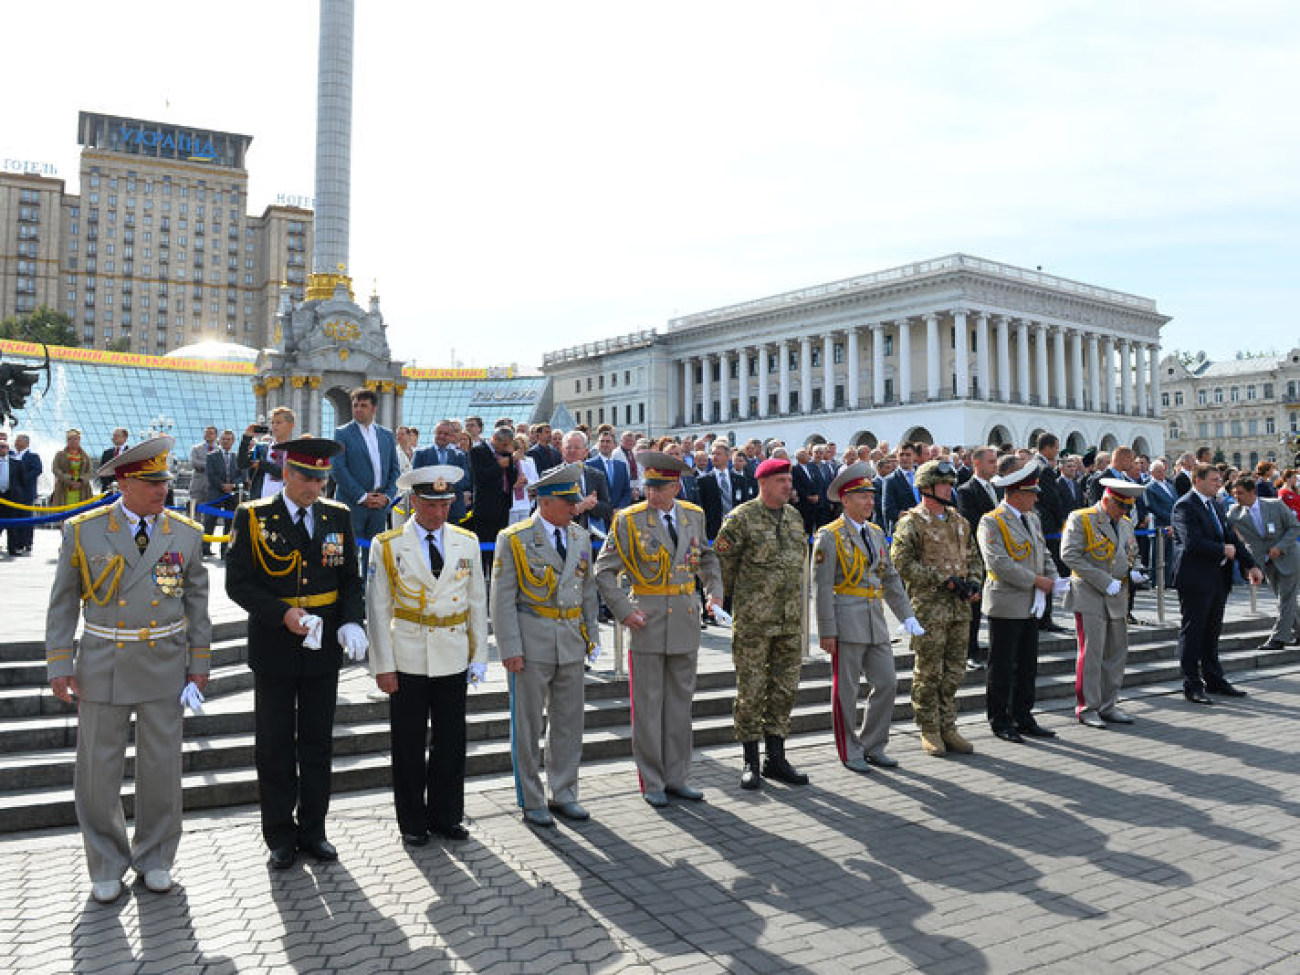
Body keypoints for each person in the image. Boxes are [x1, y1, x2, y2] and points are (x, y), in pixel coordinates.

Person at [45, 437, 210, 903]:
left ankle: (155, 857)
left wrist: (199, 664)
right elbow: (62, 603)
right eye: (151, 481)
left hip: (163, 660)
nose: (163, 488)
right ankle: (106, 861)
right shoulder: (86, 530)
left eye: (164, 480)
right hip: (104, 661)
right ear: (124, 482)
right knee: (98, 769)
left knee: (160, 769)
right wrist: (60, 661)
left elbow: (197, 605)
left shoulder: (185, 533)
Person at [225, 438, 367, 869]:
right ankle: (280, 835)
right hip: (275, 644)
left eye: (322, 478)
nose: (315, 487)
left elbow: (350, 578)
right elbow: (239, 583)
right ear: (286, 474)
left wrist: (350, 620)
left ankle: (314, 830)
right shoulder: (254, 516)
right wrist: (281, 614)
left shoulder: (337, 516)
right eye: (307, 477)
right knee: (274, 744)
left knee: (317, 743)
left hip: (322, 646)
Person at [367, 465, 488, 845]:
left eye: (446, 504)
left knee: (451, 741)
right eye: (432, 504)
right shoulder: (387, 545)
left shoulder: (466, 541)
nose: (439, 512)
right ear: (413, 501)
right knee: (408, 742)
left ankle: (447, 815)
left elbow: (476, 602)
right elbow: (377, 609)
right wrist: (383, 666)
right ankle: (413, 822)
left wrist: (479, 654)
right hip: (408, 655)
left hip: (452, 652)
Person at [595, 451, 722, 806]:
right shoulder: (628, 520)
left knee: (680, 706)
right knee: (648, 707)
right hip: (647, 619)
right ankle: (652, 781)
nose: (652, 494)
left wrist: (715, 595)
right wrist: (623, 611)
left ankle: (678, 776)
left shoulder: (693, 516)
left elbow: (707, 559)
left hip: (684, 617)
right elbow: (603, 571)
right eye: (649, 486)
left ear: (676, 486)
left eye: (660, 487)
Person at [491, 465, 600, 827]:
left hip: (570, 640)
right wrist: (509, 646)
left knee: (569, 723)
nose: (575, 507)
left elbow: (587, 591)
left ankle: (564, 792)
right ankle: (532, 798)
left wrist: (592, 636)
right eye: (568, 502)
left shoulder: (580, 537)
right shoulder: (515, 538)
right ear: (546, 501)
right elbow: (502, 598)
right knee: (527, 726)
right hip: (531, 641)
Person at [813, 463, 921, 773]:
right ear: (845, 500)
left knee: (887, 682)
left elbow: (890, 579)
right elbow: (821, 588)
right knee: (845, 691)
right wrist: (826, 630)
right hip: (845, 621)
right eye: (862, 496)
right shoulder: (829, 536)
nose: (870, 502)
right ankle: (850, 749)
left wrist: (907, 616)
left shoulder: (875, 533)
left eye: (872, 496)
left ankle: (874, 744)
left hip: (876, 620)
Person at [714, 457, 810, 789]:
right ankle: (750, 761)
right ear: (763, 483)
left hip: (789, 620)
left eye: (789, 480)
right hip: (755, 622)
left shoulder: (795, 518)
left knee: (784, 690)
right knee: (751, 691)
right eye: (781, 480)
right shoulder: (741, 518)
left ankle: (776, 759)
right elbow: (721, 565)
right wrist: (723, 603)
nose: (788, 486)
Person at [890, 460, 983, 757]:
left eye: (950, 483)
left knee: (954, 671)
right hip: (929, 609)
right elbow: (902, 563)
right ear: (927, 488)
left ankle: (948, 726)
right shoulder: (912, 522)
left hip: (959, 610)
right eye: (943, 484)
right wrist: (944, 581)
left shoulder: (959, 521)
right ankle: (929, 728)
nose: (949, 488)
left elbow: (974, 557)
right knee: (929, 672)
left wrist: (974, 584)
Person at [978, 461, 1061, 743]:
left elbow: (1043, 553)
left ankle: (1023, 715)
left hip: (1031, 602)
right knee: (1003, 665)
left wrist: (1052, 577)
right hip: (1007, 602)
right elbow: (998, 563)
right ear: (1016, 494)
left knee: (1027, 664)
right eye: (1031, 493)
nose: (1036, 498)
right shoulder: (992, 521)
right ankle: (1000, 720)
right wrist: (1036, 580)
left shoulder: (1032, 518)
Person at [1172, 463, 1263, 703]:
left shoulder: (1216, 504)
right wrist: (1222, 549)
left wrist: (1250, 564)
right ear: (1197, 480)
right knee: (1193, 632)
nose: (1219, 484)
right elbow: (1191, 542)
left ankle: (1214, 679)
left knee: (1212, 631)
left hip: (1217, 578)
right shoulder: (1185, 505)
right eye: (1214, 479)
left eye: (1219, 479)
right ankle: (1192, 684)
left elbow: (1231, 537)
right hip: (1195, 578)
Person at [1062, 478, 1146, 728]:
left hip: (1117, 594)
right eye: (1121, 507)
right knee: (1092, 653)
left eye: (1127, 508)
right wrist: (1102, 580)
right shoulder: (1082, 518)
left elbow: (1133, 552)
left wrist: (1137, 570)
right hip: (1089, 592)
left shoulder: (1125, 523)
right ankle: (1088, 707)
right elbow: (1069, 554)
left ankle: (1109, 705)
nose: (1124, 513)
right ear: (1107, 500)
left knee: (1116, 652)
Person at [1227, 476, 1300, 650]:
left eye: (1240, 493)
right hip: (1266, 563)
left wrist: (1280, 547)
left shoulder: (1275, 504)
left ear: (1252, 492)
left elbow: (1294, 526)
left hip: (1289, 557)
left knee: (1286, 598)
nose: (1236, 497)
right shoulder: (1234, 514)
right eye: (1234, 493)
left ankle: (1278, 638)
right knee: (1285, 599)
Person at [331, 387, 400, 572]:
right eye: (355, 406)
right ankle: (351, 594)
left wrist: (386, 496)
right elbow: (338, 469)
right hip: (352, 503)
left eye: (363, 405)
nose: (358, 409)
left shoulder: (386, 435)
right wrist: (362, 496)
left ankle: (370, 592)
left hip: (379, 505)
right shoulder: (342, 433)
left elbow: (394, 470)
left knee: (374, 555)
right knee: (348, 554)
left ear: (374, 409)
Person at [955, 446, 999, 669]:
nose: (995, 465)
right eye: (991, 461)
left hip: (998, 554)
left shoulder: (997, 488)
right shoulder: (966, 490)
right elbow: (970, 523)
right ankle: (969, 649)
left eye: (996, 460)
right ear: (977, 464)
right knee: (974, 603)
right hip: (978, 555)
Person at [470, 425, 519, 578]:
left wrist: (512, 463)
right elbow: (479, 477)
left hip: (503, 506)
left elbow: (511, 479)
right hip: (485, 508)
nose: (506, 448)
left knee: (500, 546)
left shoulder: (506, 453)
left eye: (508, 445)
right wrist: (498, 466)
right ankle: (483, 578)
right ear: (495, 439)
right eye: (504, 444)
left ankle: (498, 577)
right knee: (484, 547)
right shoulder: (478, 451)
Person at [413, 420, 471, 525]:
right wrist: (436, 492)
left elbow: (465, 478)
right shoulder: (421, 454)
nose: (442, 436)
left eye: (446, 434)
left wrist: (449, 492)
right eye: (439, 433)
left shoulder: (460, 455)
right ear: (434, 433)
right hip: (428, 505)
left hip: (453, 507)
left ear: (452, 436)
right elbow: (417, 479)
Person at [238, 407, 297, 500]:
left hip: (287, 502)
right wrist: (246, 438)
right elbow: (242, 463)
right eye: (272, 422)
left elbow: (289, 475)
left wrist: (262, 465)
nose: (274, 426)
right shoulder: (262, 448)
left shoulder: (297, 451)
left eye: (278, 422)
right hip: (261, 500)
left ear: (291, 425)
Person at [561, 431, 612, 535]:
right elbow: (549, 511)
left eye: (576, 447)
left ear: (585, 452)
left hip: (591, 536)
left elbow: (607, 509)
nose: (572, 451)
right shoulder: (551, 476)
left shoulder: (597, 475)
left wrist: (592, 504)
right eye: (568, 447)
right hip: (564, 533)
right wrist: (579, 507)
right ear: (562, 450)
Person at [204, 429, 244, 559]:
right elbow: (210, 474)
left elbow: (242, 475)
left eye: (229, 439)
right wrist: (222, 486)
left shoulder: (237, 457)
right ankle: (205, 549)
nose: (226, 441)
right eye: (224, 439)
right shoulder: (211, 456)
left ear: (233, 442)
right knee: (210, 521)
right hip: (216, 493)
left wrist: (232, 486)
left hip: (232, 495)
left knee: (230, 523)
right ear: (219, 441)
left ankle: (225, 551)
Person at [9, 433, 42, 556]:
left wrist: (23, 479)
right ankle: (15, 543)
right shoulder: (11, 455)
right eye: (16, 441)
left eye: (19, 441)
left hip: (26, 493)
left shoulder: (33, 456)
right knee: (14, 518)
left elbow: (37, 470)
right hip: (12, 495)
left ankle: (27, 543)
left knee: (26, 518)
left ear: (26, 443)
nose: (16, 443)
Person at [0, 433, 31, 556]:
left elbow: (22, 480)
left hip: (11, 497)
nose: (1, 449)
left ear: (8, 449)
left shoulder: (16, 463)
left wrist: (19, 494)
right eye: (0, 446)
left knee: (12, 524)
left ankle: (12, 549)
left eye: (4, 447)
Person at [881, 443, 921, 532]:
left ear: (914, 456)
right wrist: (913, 516)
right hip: (903, 530)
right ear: (897, 456)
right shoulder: (890, 480)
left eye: (908, 455)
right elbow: (888, 510)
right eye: (901, 455)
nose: (904, 458)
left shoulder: (921, 475)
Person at [589, 429, 632, 511]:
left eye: (608, 441)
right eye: (602, 441)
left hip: (618, 514)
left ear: (614, 445)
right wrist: (608, 511)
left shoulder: (621, 466)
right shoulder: (589, 465)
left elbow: (627, 491)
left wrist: (620, 508)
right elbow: (589, 493)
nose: (605, 444)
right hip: (599, 515)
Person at [51, 428, 92, 508]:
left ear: (79, 440)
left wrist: (81, 480)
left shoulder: (85, 456)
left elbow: (89, 471)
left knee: (81, 512)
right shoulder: (60, 454)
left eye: (75, 439)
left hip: (82, 488)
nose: (72, 441)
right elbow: (55, 469)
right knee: (64, 512)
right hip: (64, 487)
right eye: (69, 439)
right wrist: (68, 479)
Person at [188, 426, 217, 531]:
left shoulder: (219, 451)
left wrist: (205, 465)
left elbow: (219, 467)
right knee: (194, 513)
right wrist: (210, 465)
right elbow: (194, 463)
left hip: (212, 487)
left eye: (210, 433)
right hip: (197, 486)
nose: (208, 435)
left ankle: (205, 539)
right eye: (206, 433)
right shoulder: (196, 449)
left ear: (216, 436)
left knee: (209, 515)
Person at [508, 433, 539, 525]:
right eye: (516, 448)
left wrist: (526, 481)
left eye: (521, 448)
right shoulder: (508, 461)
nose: (518, 451)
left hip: (525, 502)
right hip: (512, 504)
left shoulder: (529, 461)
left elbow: (535, 480)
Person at [98, 428, 130, 492]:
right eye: (113, 436)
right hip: (108, 491)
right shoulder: (106, 453)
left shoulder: (130, 453)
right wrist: (109, 485)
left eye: (117, 436)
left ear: (125, 437)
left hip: (125, 490)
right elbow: (102, 471)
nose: (113, 438)